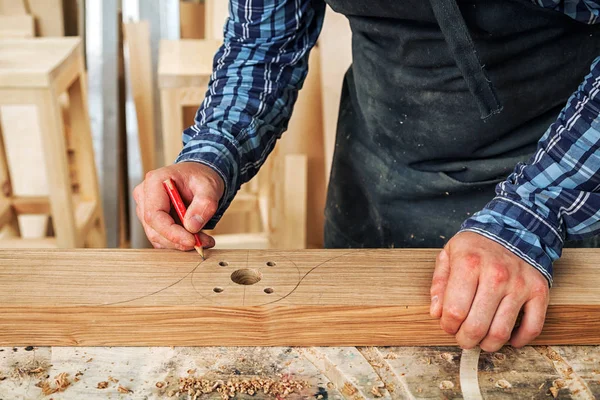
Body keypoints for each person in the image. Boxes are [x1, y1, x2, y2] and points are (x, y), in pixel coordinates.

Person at [134, 0, 600, 351]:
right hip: (381, 167)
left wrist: (534, 211)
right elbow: (265, 42)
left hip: (566, 176)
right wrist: (213, 152)